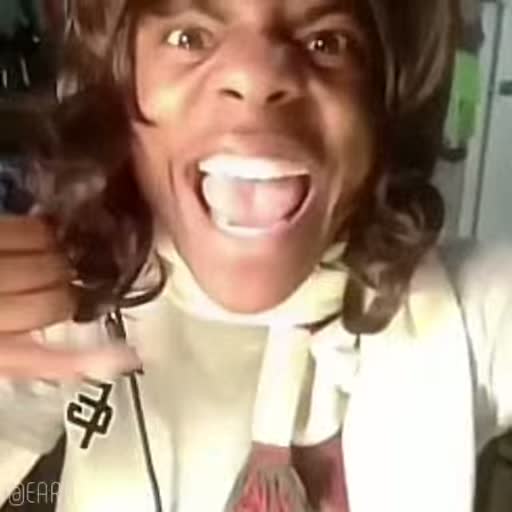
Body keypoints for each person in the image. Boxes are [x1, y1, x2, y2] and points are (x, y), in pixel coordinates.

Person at [0, 0, 510, 511]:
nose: (254, 76)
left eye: (326, 42)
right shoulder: (67, 297)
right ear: (119, 83)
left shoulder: (470, 311)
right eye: (189, 37)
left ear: (383, 104)